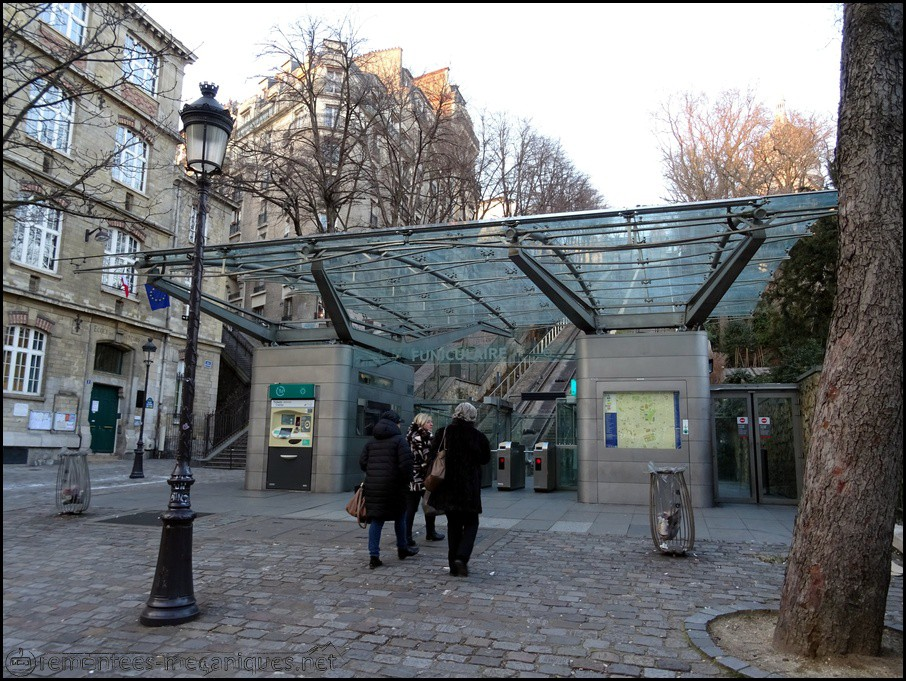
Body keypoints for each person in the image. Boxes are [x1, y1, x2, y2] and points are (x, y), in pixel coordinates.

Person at [426, 402, 491, 577]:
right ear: (472, 417)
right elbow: (485, 459)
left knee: (453, 525)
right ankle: (462, 557)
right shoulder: (478, 436)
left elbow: (432, 455)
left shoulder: (443, 432)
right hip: (468, 489)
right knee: (471, 523)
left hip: (448, 487)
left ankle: (453, 566)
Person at [359, 410, 418, 569]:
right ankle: (402, 548)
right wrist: (406, 480)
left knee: (377, 520)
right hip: (395, 486)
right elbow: (406, 464)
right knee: (400, 517)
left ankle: (374, 556)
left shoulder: (371, 442)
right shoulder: (399, 441)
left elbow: (363, 462)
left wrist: (373, 473)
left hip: (373, 485)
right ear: (395, 423)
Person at [404, 414, 445, 547]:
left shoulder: (410, 435)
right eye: (428, 422)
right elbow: (427, 457)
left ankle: (407, 536)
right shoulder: (422, 436)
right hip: (421, 476)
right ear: (422, 423)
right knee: (428, 503)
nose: (431, 424)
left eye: (431, 422)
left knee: (412, 506)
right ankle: (429, 533)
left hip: (412, 475)